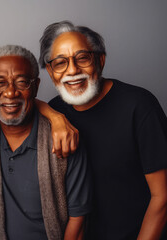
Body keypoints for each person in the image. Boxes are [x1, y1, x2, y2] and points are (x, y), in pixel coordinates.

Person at [40, 20, 167, 239]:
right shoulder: (55, 109)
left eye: (82, 58)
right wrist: (54, 116)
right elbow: (18, 100)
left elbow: (162, 197)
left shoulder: (139, 105)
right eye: (60, 63)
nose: (72, 70)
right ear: (50, 72)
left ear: (100, 60)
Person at [0, 45, 92, 240]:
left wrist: (55, 118)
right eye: (0, 83)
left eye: (22, 82)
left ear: (36, 87)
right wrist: (53, 113)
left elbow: (78, 220)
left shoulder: (63, 139)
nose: (10, 93)